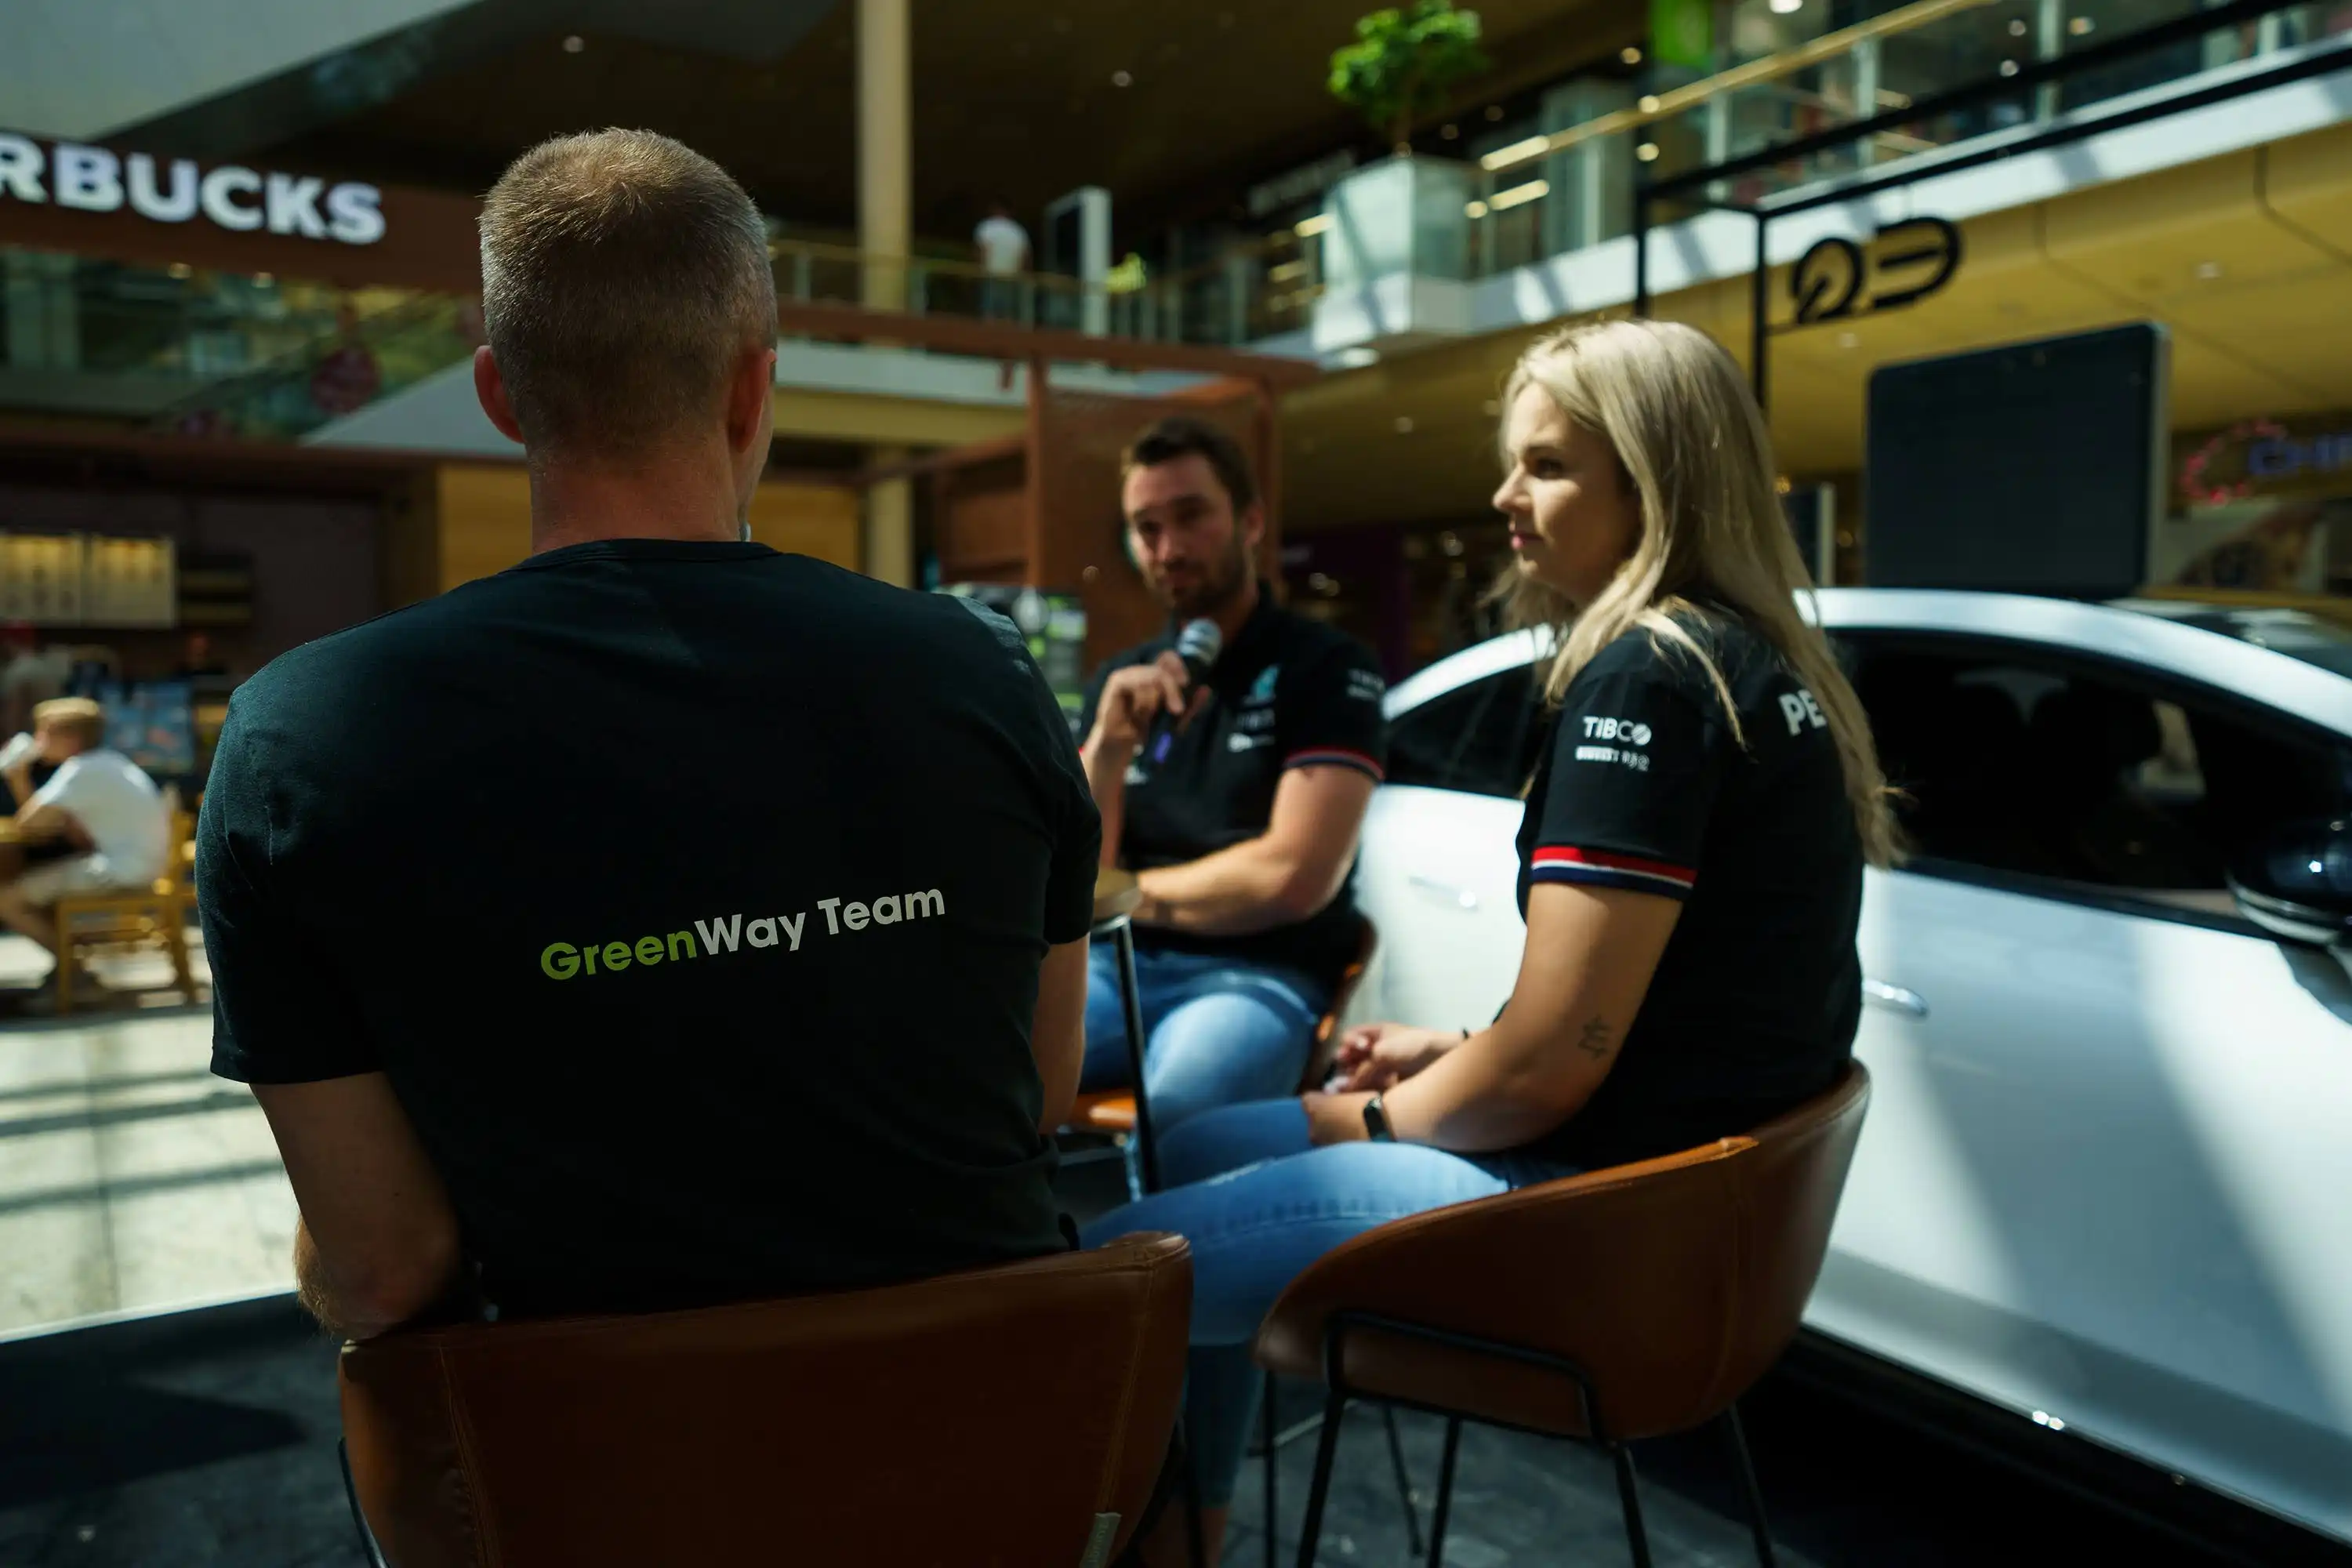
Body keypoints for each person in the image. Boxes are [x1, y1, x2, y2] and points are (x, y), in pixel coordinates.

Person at [198, 129, 1099, 1342]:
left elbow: (383, 1271)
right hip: (1004, 1423)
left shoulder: (296, 742)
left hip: (580, 1450)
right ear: (752, 391)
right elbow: (1035, 1092)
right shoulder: (980, 669)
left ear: (499, 395)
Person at [1085, 318, 1899, 1564]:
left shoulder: (1649, 681)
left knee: (1100, 1275)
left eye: (1548, 466)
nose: (1507, 497)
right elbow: (1676, 1010)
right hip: (1669, 1210)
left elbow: (1547, 1069)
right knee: (1190, 1143)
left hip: (1591, 1225)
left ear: (1655, 479)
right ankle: (1181, 1531)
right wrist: (1449, 1053)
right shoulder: (1759, 667)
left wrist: (1366, 1117)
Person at [1076, 417, 1388, 1169]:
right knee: (970, 1057)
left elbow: (1292, 877)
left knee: (1182, 1120)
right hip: (1114, 970)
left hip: (1257, 976)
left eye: (1190, 516)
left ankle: (1159, 1252)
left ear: (1250, 522)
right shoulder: (1123, 679)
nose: (1168, 550)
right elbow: (1076, 869)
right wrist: (1109, 751)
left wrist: (1125, 895)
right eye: (1146, 528)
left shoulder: (1326, 666)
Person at [0, 697, 169, 986]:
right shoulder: (107, 762)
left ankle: (75, 973)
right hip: (141, 864)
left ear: (71, 738)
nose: (37, 742)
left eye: (44, 733)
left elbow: (28, 823)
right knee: (36, 888)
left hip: (123, 869)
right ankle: (66, 971)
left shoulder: (81, 769)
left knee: (7, 900)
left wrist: (17, 775)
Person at [974, 198, 1031, 322]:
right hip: (1011, 275)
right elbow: (1025, 256)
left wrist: (979, 270)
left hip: (991, 274)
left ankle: (989, 331)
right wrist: (1022, 274)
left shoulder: (987, 226)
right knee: (1007, 313)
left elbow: (983, 250)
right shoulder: (1018, 230)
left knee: (989, 312)